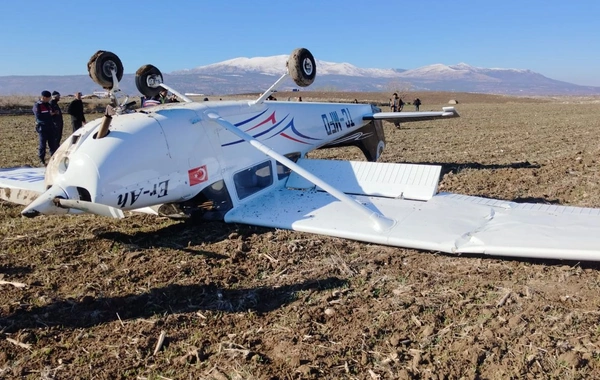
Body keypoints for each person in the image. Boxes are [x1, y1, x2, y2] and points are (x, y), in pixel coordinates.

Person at [33, 90, 58, 166]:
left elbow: (52, 113)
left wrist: (53, 113)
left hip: (50, 126)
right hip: (42, 127)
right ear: (44, 97)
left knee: (52, 144)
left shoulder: (49, 105)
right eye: (48, 98)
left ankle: (53, 159)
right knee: (42, 145)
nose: (49, 99)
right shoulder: (38, 105)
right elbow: (39, 116)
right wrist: (49, 114)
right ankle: (41, 160)